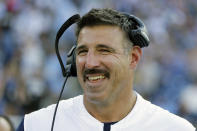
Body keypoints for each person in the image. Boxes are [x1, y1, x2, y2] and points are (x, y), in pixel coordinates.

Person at [17, 8, 196, 131]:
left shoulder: (175, 128)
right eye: (83, 51)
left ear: (133, 58)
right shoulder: (36, 125)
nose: (90, 62)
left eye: (104, 50)